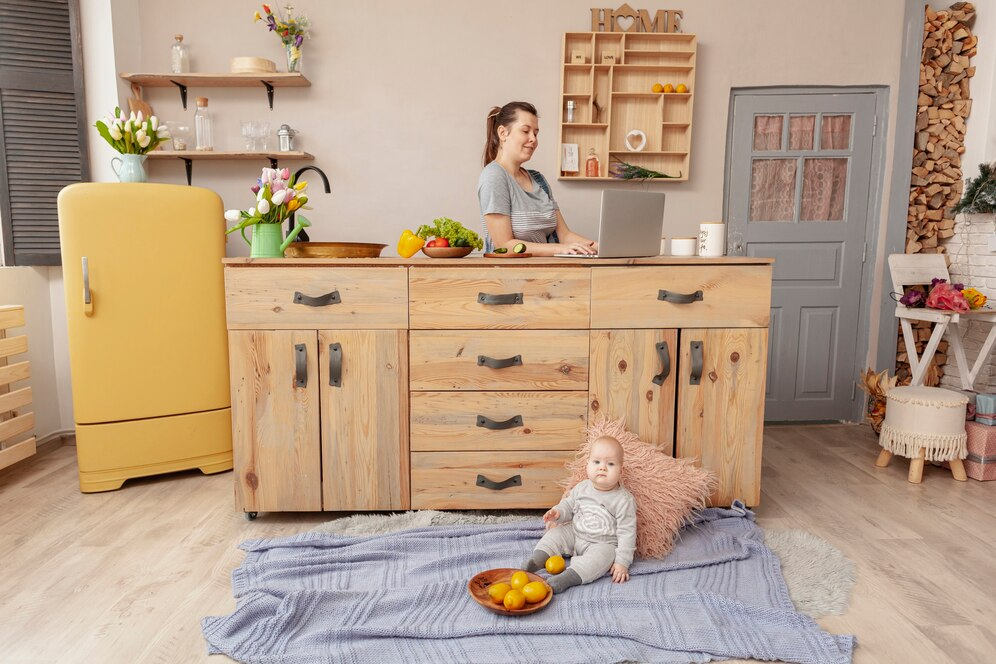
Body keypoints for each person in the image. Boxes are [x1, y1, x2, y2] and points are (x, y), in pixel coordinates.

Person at [478, 101, 598, 256]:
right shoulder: (494, 176)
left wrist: (600, 246)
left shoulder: (538, 179)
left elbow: (565, 235)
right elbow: (504, 245)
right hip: (510, 276)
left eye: (535, 133)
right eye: (525, 131)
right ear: (502, 133)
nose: (533, 139)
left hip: (544, 273)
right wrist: (560, 249)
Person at [522, 435, 637, 593]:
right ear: (587, 465)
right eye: (596, 462)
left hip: (602, 544)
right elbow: (569, 505)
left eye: (610, 463)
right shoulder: (582, 487)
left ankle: (569, 577)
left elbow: (627, 533)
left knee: (603, 558)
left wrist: (622, 562)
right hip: (575, 532)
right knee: (555, 534)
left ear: (621, 470)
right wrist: (558, 512)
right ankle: (538, 558)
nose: (602, 468)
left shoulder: (623, 500)